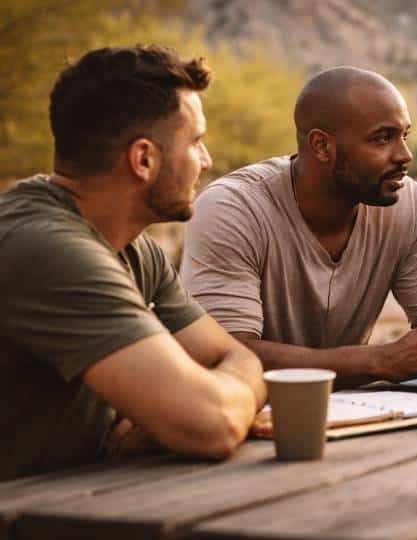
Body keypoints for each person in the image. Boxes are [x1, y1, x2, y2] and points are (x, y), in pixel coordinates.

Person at [0, 46, 267, 481]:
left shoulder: (133, 248)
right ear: (143, 159)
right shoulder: (45, 248)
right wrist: (217, 402)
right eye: (196, 142)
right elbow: (213, 424)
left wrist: (188, 407)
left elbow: (235, 354)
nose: (207, 161)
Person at [180, 67, 417, 387]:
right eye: (383, 138)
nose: (405, 155)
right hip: (250, 418)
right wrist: (383, 361)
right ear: (321, 146)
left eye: (405, 136)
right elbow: (224, 353)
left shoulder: (406, 203)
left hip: (366, 415)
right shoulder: (234, 209)